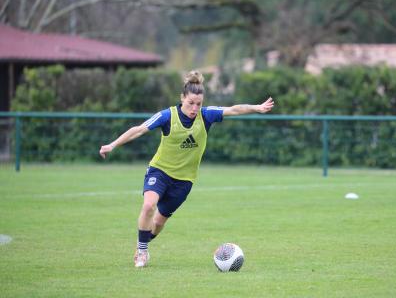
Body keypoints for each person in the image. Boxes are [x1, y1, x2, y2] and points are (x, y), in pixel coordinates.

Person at [99, 70, 274, 268]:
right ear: (182, 98)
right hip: (160, 171)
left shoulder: (206, 116)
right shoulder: (167, 116)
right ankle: (142, 251)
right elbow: (138, 129)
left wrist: (257, 107)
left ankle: (143, 244)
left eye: (198, 104)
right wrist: (112, 145)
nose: (194, 108)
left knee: (157, 224)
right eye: (191, 103)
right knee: (148, 206)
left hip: (184, 181)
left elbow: (234, 109)